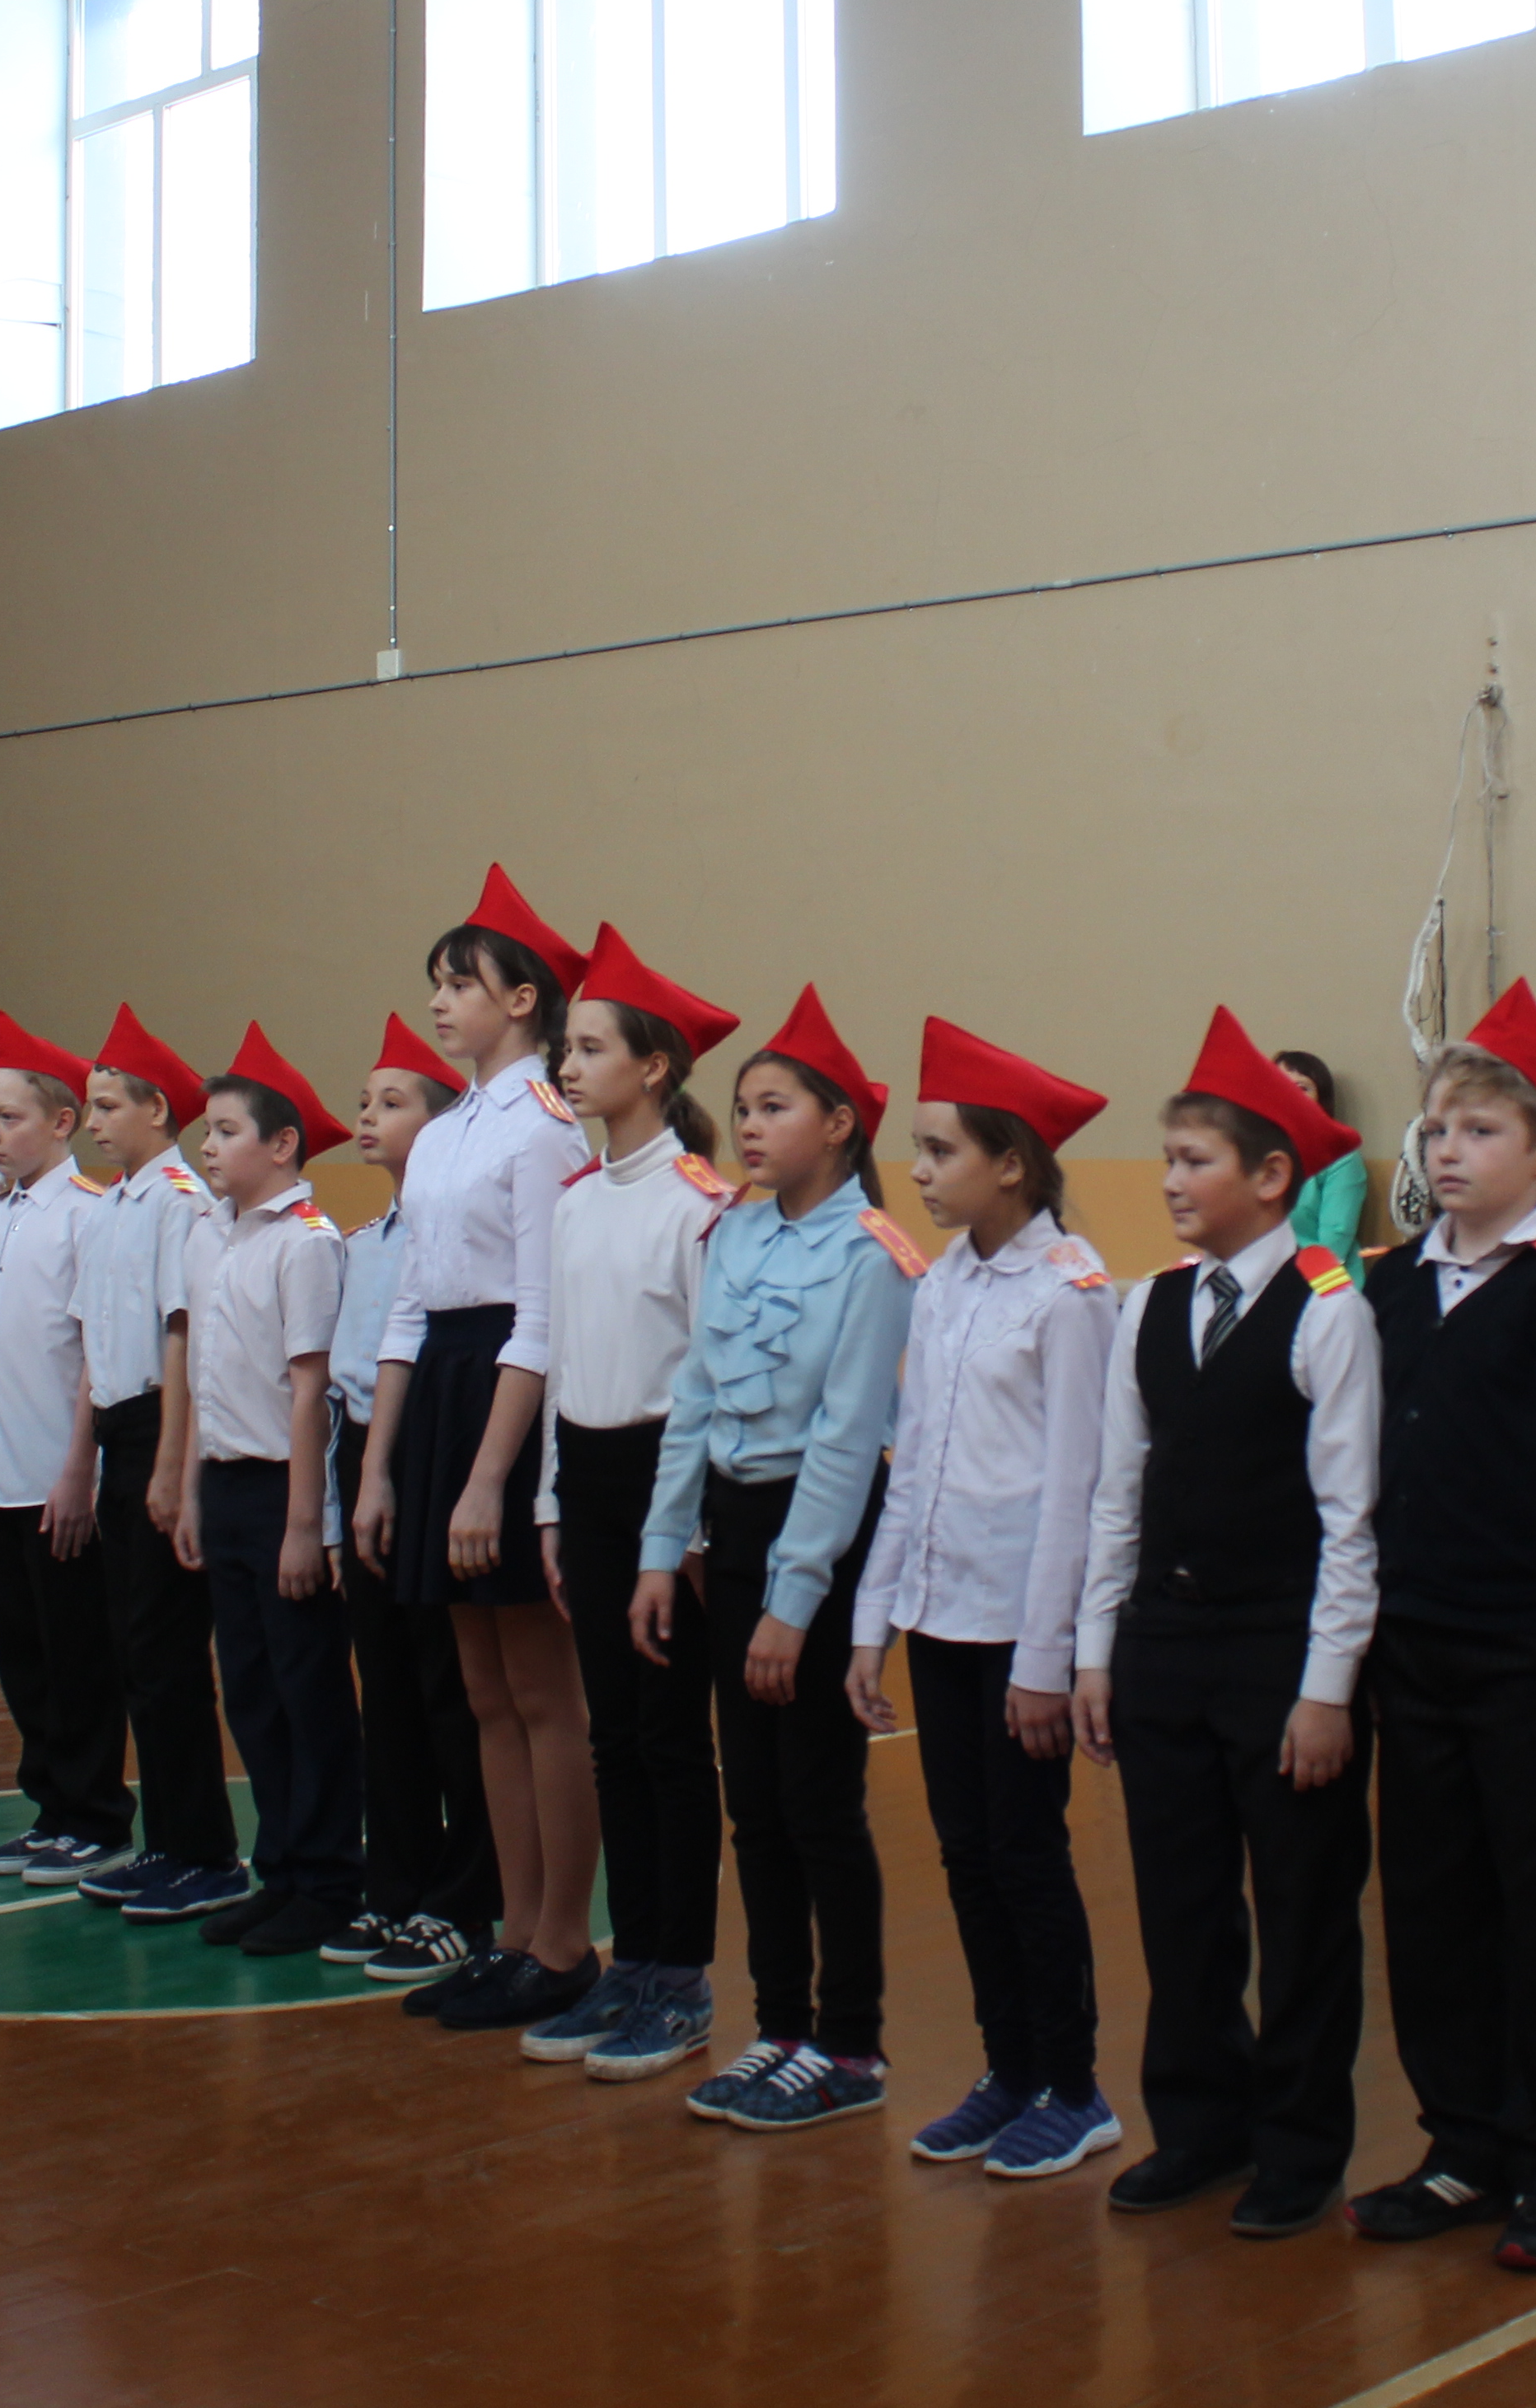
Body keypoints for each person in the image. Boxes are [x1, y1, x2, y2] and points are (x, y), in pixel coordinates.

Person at [1347, 980, 1536, 2278]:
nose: (1450, 1151)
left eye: (1480, 1130)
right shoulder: (1387, 1288)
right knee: (1430, 1902)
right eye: (1437, 1130)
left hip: (1528, 1655)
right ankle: (1461, 2142)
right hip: (1410, 1645)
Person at [1072, 1011, 1380, 2242]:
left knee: (1302, 1908)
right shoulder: (1149, 1304)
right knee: (1182, 1903)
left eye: (1195, 1160)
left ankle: (1301, 2145)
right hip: (1166, 1646)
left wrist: (1327, 1688)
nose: (1170, 1181)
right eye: (1168, 1158)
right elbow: (1117, 1496)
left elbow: (1352, 1519)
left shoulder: (1329, 1309)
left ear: (1270, 1177)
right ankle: (1202, 2124)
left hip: (1278, 1654)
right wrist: (1098, 1653)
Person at [847, 1016, 1122, 2180]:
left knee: (1025, 1854)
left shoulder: (1070, 1294)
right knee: (965, 1854)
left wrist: (1047, 1660)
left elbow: (1077, 1490)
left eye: (941, 1150)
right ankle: (1008, 2070)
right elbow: (911, 1463)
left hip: (1019, 1631)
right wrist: (873, 1624)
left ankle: (1074, 2084)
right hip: (941, 1616)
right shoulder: (946, 1283)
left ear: (1012, 1163)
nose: (917, 1170)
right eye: (917, 1147)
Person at [638, 988, 916, 2130]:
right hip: (737, 1530)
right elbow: (694, 1401)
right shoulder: (736, 1232)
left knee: (817, 1803)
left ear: (839, 1124)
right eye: (743, 1108)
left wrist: (794, 1604)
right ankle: (780, 2027)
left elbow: (849, 1439)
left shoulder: (873, 1255)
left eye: (775, 1108)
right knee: (750, 1801)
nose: (748, 1128)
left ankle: (850, 2044)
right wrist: (662, 1551)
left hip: (822, 1534)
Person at [354, 867, 600, 2031]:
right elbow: (408, 1309)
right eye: (437, 985)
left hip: (507, 1396)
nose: (441, 1003)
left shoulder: (546, 1128)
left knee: (542, 1690)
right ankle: (510, 1931)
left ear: (523, 999)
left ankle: (564, 1941)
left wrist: (491, 1477)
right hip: (441, 1396)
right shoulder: (448, 1132)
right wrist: (378, 1467)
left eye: (461, 983)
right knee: (483, 1689)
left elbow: (539, 1318)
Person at [529, 928, 738, 2077]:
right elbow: (561, 1361)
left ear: (654, 1066)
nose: (569, 1066)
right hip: (590, 1475)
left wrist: (690, 1532)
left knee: (669, 1740)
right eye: (566, 1047)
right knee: (613, 1735)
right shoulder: (575, 1201)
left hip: (669, 1487)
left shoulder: (700, 1203)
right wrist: (552, 1506)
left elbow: (711, 1377)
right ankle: (634, 1960)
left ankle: (683, 1978)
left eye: (592, 1048)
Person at [164, 1024, 369, 1957]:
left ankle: (328, 1879)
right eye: (205, 1131)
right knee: (248, 1690)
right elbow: (203, 1378)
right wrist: (193, 1493)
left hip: (285, 1492)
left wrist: (303, 1524)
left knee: (307, 1690)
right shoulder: (211, 1236)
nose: (207, 1147)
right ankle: (279, 1868)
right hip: (226, 1486)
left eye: (226, 1131)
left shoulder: (306, 1244)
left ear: (282, 1144)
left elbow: (310, 1391)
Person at [323, 1013, 499, 1977]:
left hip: (437, 1453)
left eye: (392, 1102)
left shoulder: (456, 1240)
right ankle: (394, 1885)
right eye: (364, 1101)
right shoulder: (361, 1243)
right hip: (367, 1459)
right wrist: (356, 1484)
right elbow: (347, 1381)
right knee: (383, 1686)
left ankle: (464, 1898)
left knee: (448, 1688)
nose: (368, 1116)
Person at [70, 1005, 248, 1925]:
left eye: (109, 1106)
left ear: (157, 1111)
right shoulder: (114, 1203)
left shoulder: (178, 1201)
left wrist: (170, 1467)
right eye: (91, 1105)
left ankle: (205, 1851)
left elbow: (181, 1335)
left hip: (157, 1429)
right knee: (134, 1649)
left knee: (168, 1650)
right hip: (118, 1428)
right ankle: (167, 1841)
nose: (94, 1121)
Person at [0, 1013, 132, 1885]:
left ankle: (96, 1814)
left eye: (10, 1118)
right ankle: (51, 1807)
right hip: (0, 1475)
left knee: (76, 1657)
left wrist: (78, 1472)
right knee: (24, 1656)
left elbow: (94, 1356)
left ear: (62, 1123)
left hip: (56, 1476)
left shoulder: (86, 1218)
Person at [1280, 1050, 1370, 1261]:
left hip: (1318, 1276)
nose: (1290, 1095)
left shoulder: (1342, 1158)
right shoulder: (1252, 1153)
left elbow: (1333, 1246)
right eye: (1280, 1085)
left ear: (1321, 1099)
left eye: (1302, 1088)